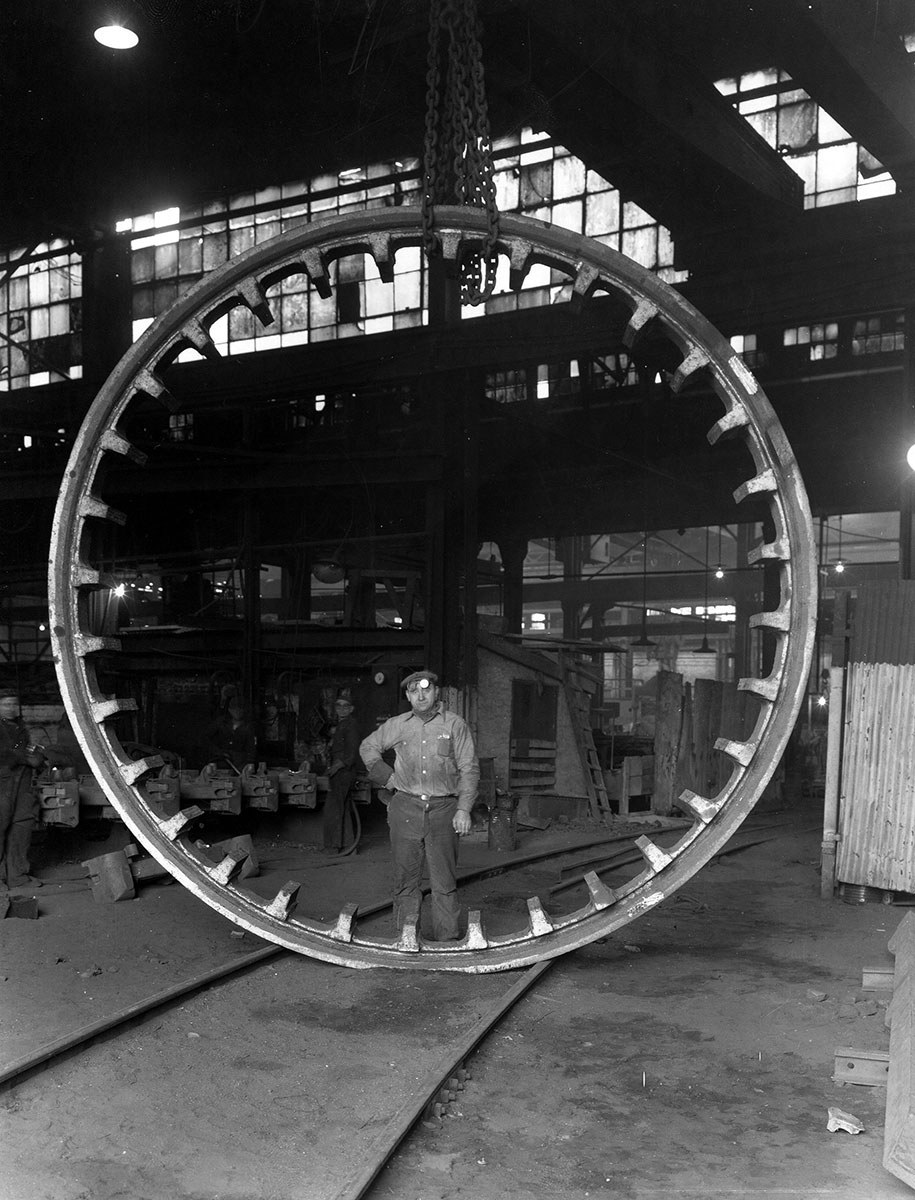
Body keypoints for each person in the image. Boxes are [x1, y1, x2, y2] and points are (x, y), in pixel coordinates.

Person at [359, 670, 479, 941]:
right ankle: (407, 940)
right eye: (414, 691)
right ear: (407, 695)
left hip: (444, 809)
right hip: (405, 808)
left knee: (444, 883)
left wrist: (463, 809)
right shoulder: (398, 725)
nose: (421, 695)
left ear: (436, 692)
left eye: (426, 689)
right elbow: (368, 747)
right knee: (406, 881)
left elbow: (469, 769)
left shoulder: (454, 724)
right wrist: (387, 778)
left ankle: (447, 943)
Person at [0, 687, 47, 891]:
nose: (10, 708)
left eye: (14, 704)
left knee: (22, 825)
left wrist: (37, 757)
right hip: (2, 783)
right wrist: (25, 758)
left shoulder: (20, 727)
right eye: (5, 704)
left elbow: (29, 752)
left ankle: (18, 876)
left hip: (22, 783)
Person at [322, 696, 360, 854]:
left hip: (343, 772)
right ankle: (349, 847)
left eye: (346, 706)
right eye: (339, 705)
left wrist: (334, 768)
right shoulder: (342, 724)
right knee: (342, 808)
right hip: (341, 772)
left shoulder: (350, 725)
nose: (342, 708)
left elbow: (351, 754)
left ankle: (333, 847)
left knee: (333, 808)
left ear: (351, 709)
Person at [204, 701, 256, 771]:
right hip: (220, 761)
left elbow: (251, 746)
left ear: (244, 710)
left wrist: (250, 761)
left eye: (240, 708)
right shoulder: (221, 722)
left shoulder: (249, 726)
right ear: (229, 710)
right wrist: (217, 751)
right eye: (234, 709)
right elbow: (205, 738)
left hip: (240, 763)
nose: (237, 711)